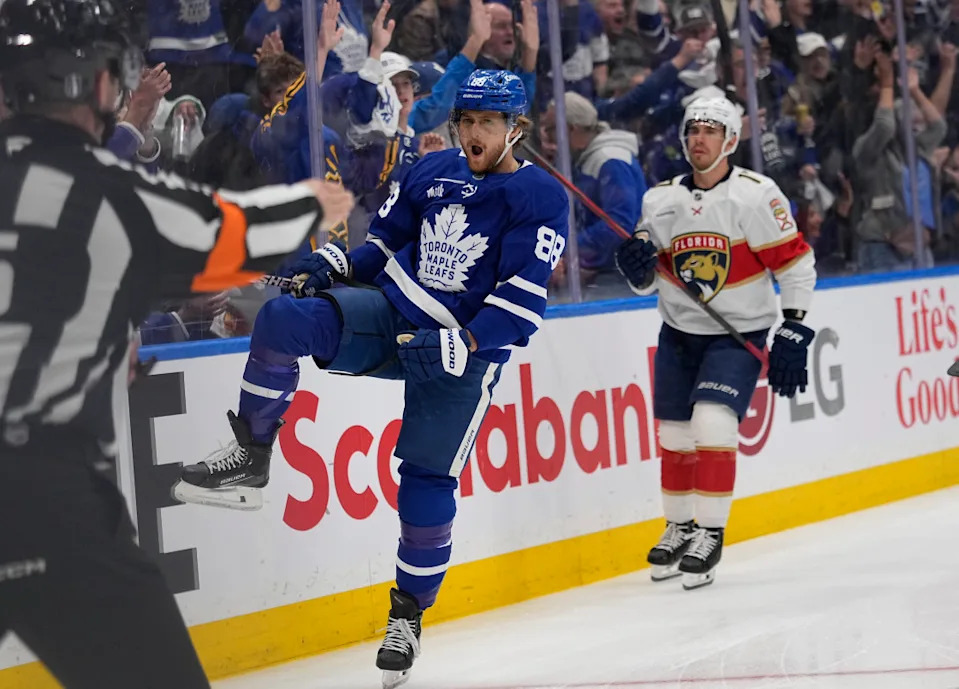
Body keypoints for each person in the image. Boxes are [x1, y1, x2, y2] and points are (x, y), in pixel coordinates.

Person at [174, 69, 569, 689]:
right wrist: (330, 265)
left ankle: (406, 617)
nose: (470, 132)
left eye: (486, 123)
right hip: (395, 313)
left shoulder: (539, 197)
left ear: (514, 128)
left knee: (425, 479)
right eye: (464, 120)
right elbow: (380, 246)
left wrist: (463, 342)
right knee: (283, 319)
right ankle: (251, 457)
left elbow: (521, 302)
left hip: (464, 351)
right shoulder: (428, 170)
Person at [0, 0, 354, 686]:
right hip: (45, 500)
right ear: (105, 84)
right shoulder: (110, 192)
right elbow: (233, 237)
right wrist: (318, 203)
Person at [615, 96, 817, 590]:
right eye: (692, 131)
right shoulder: (658, 200)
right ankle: (679, 527)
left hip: (737, 334)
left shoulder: (755, 196)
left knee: (713, 423)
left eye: (710, 131)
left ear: (730, 140)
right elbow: (649, 283)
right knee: (675, 437)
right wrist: (635, 269)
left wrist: (794, 326)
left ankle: (709, 532)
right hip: (680, 332)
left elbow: (795, 265)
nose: (698, 139)